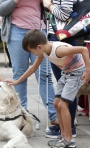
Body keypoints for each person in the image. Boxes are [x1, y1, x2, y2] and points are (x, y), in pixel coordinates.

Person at [5, 29, 90, 148]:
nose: (32, 54)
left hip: (76, 73)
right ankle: (63, 135)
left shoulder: (59, 50)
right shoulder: (44, 51)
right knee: (56, 103)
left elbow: (83, 49)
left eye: (31, 51)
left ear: (39, 47)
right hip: (66, 73)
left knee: (62, 105)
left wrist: (88, 70)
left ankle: (69, 139)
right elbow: (33, 68)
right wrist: (17, 81)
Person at [0, 0, 59, 130]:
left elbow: (53, 5)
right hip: (16, 32)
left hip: (39, 32)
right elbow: (1, 10)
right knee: (19, 75)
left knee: (45, 75)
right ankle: (21, 117)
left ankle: (53, 116)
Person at [42, 0, 78, 138]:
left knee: (68, 87)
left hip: (63, 38)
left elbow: (64, 15)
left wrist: (49, 4)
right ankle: (65, 126)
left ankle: (69, 129)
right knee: (64, 85)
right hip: (59, 37)